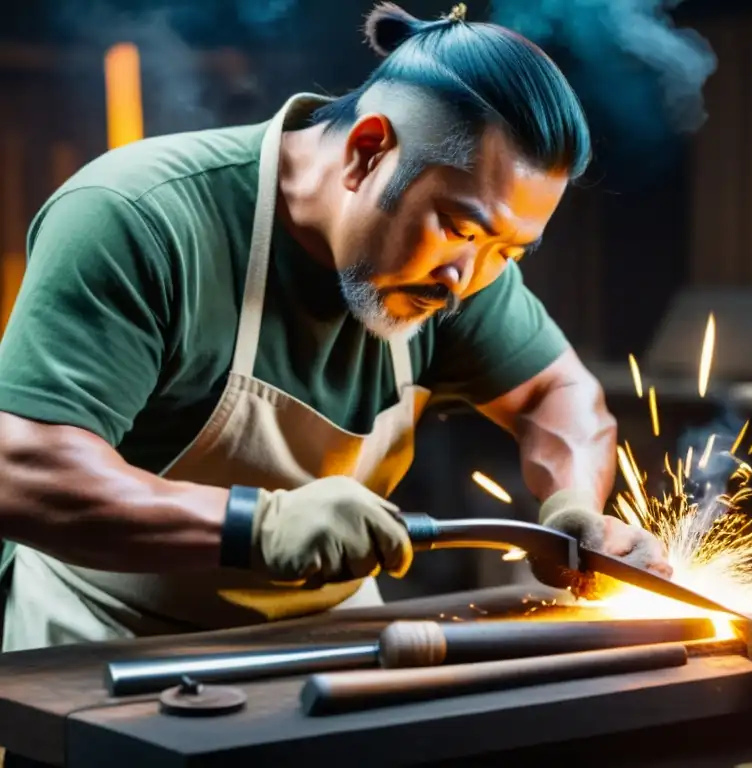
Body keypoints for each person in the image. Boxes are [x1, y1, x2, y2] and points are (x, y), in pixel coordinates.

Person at [0, 2, 671, 654]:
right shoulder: (140, 218)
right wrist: (255, 527)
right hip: (108, 640)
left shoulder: (466, 270)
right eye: (460, 228)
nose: (465, 278)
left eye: (509, 250)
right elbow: (21, 468)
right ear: (367, 150)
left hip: (331, 641)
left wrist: (574, 507)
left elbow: (554, 394)